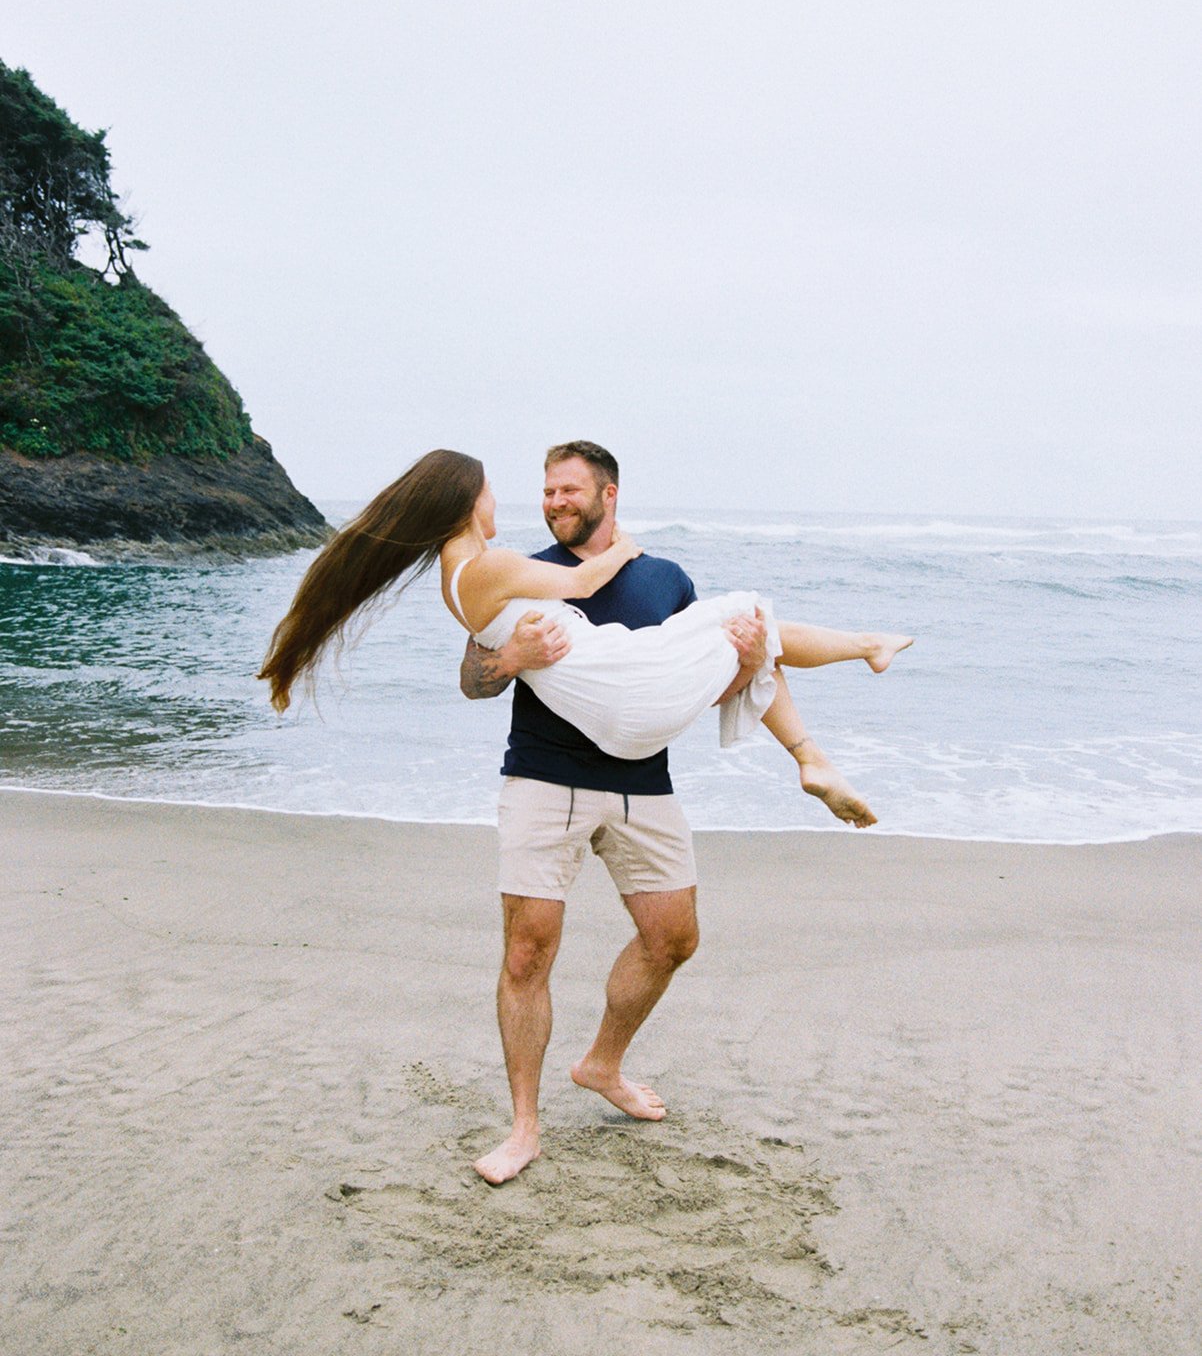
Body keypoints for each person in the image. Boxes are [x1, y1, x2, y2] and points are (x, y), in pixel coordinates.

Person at [260, 444, 911, 1184]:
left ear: (609, 492)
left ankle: (602, 1064)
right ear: (468, 502)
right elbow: (477, 678)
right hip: (546, 778)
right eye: (542, 491)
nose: (550, 501)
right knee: (528, 953)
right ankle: (524, 1128)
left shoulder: (660, 580)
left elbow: (706, 679)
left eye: (568, 490)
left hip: (643, 779)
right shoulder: (511, 568)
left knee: (673, 938)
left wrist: (747, 658)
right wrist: (511, 659)